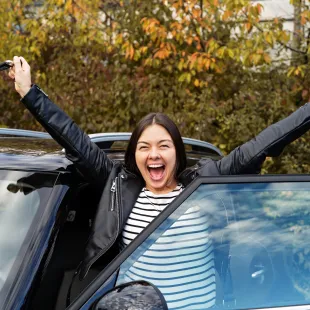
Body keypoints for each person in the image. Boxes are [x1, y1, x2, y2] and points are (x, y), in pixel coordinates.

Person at [7, 56, 310, 309]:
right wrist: (29, 92)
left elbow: (263, 143)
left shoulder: (203, 185)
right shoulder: (117, 187)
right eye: (144, 147)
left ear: (176, 152)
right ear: (134, 155)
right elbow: (74, 140)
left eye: (163, 145)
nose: (154, 154)